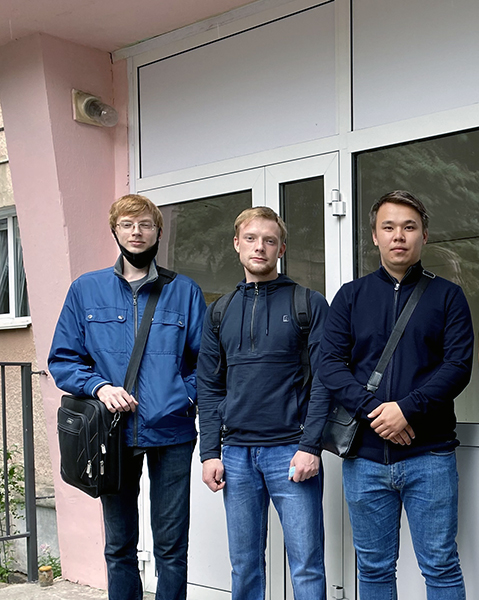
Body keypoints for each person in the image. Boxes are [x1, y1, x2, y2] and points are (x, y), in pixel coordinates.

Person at [48, 194, 207, 600]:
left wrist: (179, 396)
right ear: (115, 231)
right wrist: (100, 387)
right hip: (111, 435)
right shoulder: (86, 290)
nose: (137, 232)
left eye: (145, 225)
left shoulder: (184, 291)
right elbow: (63, 360)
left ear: (158, 232)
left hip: (171, 432)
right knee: (119, 546)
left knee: (172, 547)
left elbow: (206, 364)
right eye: (127, 224)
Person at [318, 190, 473, 600]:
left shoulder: (448, 296)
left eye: (409, 227)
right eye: (388, 227)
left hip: (430, 456)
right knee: (373, 568)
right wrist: (375, 412)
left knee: (440, 565)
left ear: (424, 235)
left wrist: (407, 410)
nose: (398, 236)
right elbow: (330, 365)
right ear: (375, 236)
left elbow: (458, 367)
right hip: (365, 459)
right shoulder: (350, 296)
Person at [196, 207, 330, 600]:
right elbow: (209, 386)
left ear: (281, 248)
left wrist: (311, 446)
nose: (260, 247)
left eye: (270, 241)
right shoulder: (219, 311)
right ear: (237, 244)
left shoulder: (307, 303)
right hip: (236, 455)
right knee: (244, 565)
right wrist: (210, 453)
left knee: (306, 565)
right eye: (252, 239)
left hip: (291, 452)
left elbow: (325, 381)